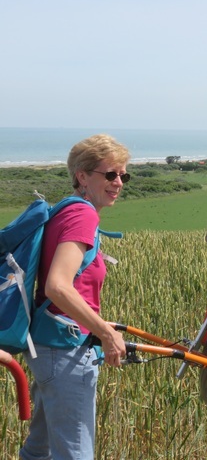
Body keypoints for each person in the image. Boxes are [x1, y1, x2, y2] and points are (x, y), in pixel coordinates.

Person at [20, 134, 130, 460]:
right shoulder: (83, 215)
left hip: (48, 347)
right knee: (75, 453)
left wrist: (96, 324)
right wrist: (106, 332)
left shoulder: (65, 210)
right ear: (82, 176)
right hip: (66, 352)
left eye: (124, 175)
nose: (119, 182)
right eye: (110, 174)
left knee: (38, 449)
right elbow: (57, 286)